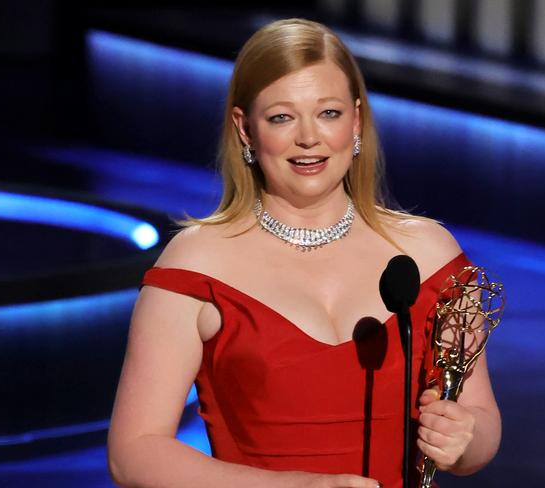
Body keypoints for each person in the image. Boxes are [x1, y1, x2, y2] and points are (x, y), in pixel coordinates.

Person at [107, 18, 501, 488]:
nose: (308, 137)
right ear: (245, 130)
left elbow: (480, 423)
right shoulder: (195, 265)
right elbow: (134, 453)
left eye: (328, 113)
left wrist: (465, 438)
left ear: (356, 121)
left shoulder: (429, 254)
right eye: (281, 117)